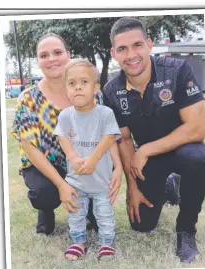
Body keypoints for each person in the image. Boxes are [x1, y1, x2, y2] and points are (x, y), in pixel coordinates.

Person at [103, 17, 205, 263]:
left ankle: (186, 229)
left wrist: (147, 149)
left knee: (196, 156)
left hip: (182, 151)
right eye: (122, 49)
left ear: (149, 44)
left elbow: (196, 129)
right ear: (114, 53)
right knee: (141, 225)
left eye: (137, 45)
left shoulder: (178, 70)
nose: (131, 54)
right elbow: (125, 140)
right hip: (148, 161)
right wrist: (133, 187)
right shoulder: (111, 90)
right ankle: (169, 186)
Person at [11, 33, 122, 236]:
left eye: (57, 52)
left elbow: (107, 133)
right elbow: (30, 148)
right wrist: (62, 185)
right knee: (44, 193)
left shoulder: (91, 92)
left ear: (68, 54)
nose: (51, 58)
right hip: (47, 164)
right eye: (44, 55)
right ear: (38, 61)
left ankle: (89, 204)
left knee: (97, 222)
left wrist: (118, 167)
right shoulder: (28, 98)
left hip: (86, 162)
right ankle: (46, 209)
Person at [54, 58, 122, 260]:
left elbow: (110, 138)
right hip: (76, 181)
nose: (78, 88)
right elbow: (62, 137)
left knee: (104, 215)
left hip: (101, 181)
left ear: (96, 87)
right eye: (72, 84)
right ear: (66, 89)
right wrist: (73, 157)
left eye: (84, 82)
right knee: (76, 213)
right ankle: (78, 241)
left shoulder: (105, 113)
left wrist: (94, 159)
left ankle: (106, 243)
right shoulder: (65, 115)